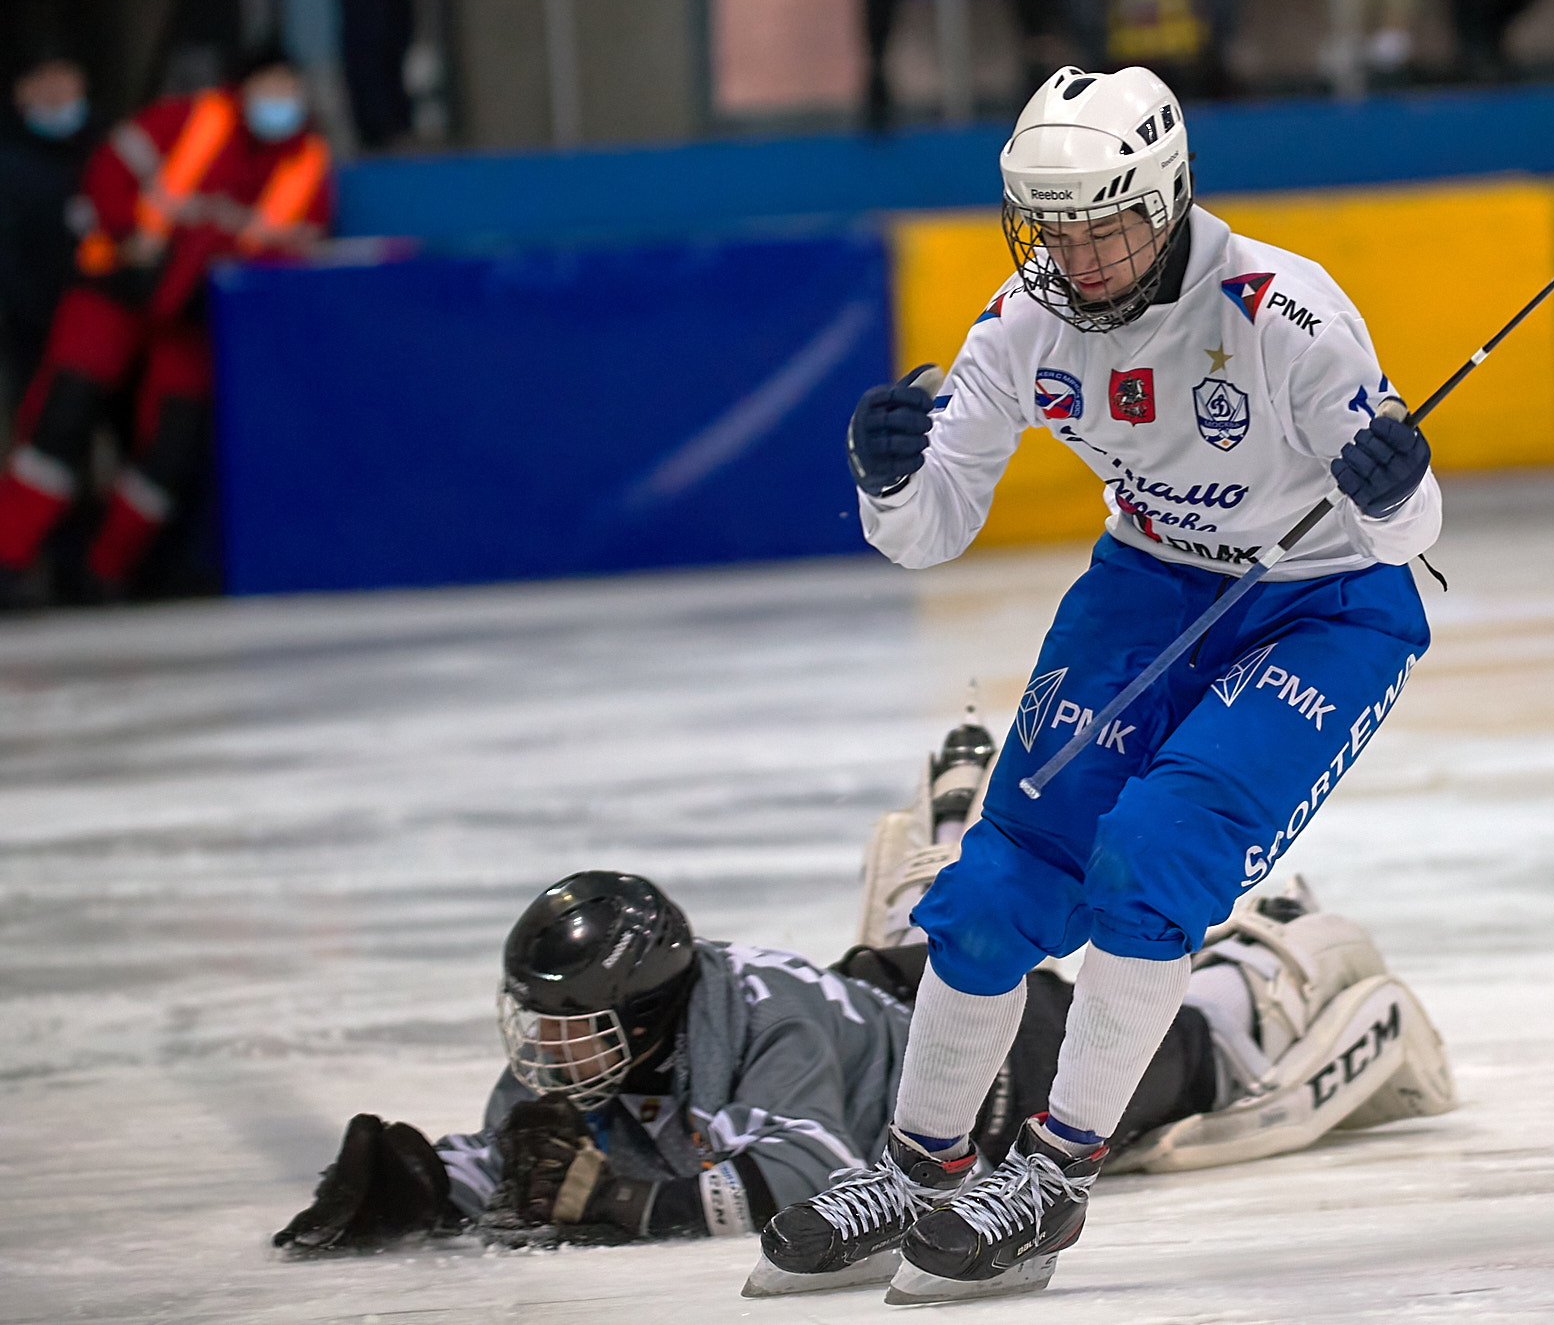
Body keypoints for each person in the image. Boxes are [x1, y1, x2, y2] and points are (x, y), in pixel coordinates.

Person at [800, 64, 1443, 1303]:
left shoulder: (1284, 314)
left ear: (1169, 195)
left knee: (1152, 852)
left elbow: (1407, 529)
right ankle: (919, 1169)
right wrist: (886, 478)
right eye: (1054, 231)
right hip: (1148, 582)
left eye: (1108, 226)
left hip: (1319, 607)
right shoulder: (1024, 322)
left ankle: (1052, 1174)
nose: (1081, 259)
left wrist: (1390, 486)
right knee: (990, 886)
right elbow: (928, 530)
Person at [270, 720, 1455, 1279]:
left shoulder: (764, 1032)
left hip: (1000, 1072)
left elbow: (816, 1176)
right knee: (933, 931)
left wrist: (630, 1204)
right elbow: (516, 1154)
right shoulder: (608, 1051)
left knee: (1179, 1051)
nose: (544, 1051)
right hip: (885, 1001)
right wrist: (418, 1175)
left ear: (638, 1010)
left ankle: (1269, 951)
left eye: (568, 1023)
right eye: (536, 1022)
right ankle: (955, 824)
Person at [0, 48, 330, 606]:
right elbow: (112, 169)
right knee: (62, 417)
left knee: (173, 446)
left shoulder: (304, 161)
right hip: (120, 287)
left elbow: (301, 240)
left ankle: (107, 570)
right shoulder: (193, 120)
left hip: (194, 313)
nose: (278, 100)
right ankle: (10, 560)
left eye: (287, 88)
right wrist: (129, 236)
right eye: (268, 86)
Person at [0, 48, 98, 416]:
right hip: (34, 324)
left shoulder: (107, 147)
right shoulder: (10, 161)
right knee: (41, 421)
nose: (57, 91)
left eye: (65, 78)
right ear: (21, 92)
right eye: (44, 81)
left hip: (104, 314)